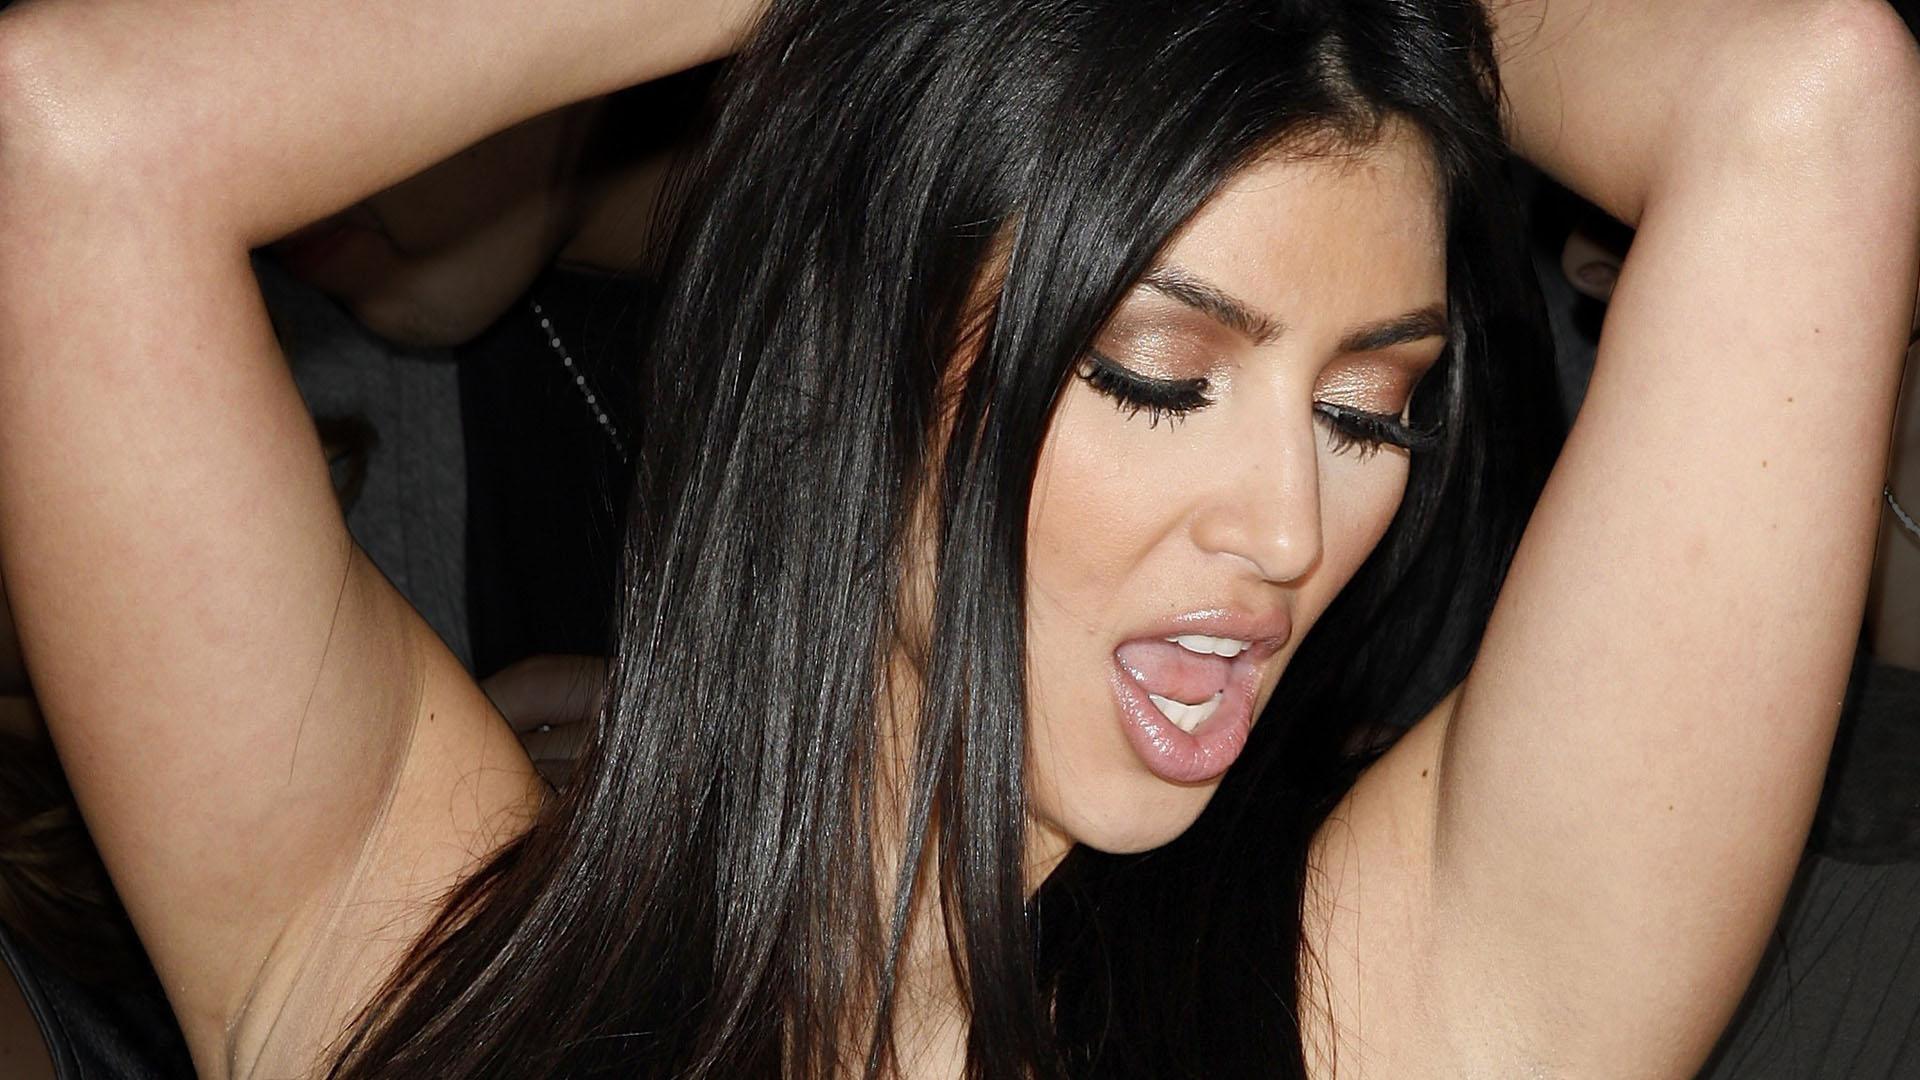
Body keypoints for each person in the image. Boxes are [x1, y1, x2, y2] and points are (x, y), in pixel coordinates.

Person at [0, 2, 1916, 1079]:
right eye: (1162, 374)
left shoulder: (1381, 1022)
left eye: (1368, 411)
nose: (1288, 527)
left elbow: (1808, 100)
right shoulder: (405, 957)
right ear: (856, 350)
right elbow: (68, 138)